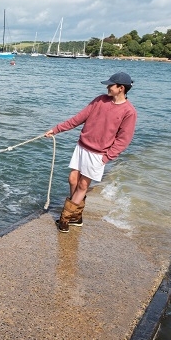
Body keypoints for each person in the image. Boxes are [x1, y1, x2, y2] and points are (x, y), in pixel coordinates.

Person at [44, 72, 138, 233]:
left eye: (110, 85)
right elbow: (78, 118)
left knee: (82, 185)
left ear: (121, 88)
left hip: (99, 154)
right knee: (72, 179)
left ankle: (66, 218)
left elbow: (124, 140)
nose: (107, 87)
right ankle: (76, 216)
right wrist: (56, 129)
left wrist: (107, 157)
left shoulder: (129, 112)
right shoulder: (100, 100)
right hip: (82, 147)